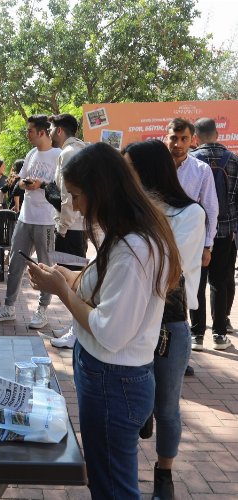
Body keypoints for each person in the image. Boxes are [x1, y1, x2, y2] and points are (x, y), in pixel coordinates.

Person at [27, 142, 181, 499]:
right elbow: (104, 291)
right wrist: (68, 277)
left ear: (103, 191)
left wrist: (62, 292)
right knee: (105, 479)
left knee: (113, 487)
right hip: (106, 375)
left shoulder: (135, 248)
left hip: (115, 380)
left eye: (78, 196)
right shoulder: (125, 236)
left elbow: (109, 332)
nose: (76, 206)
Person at [123, 140, 205, 500]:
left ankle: (164, 476)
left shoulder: (190, 214)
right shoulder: (128, 210)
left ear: (147, 171)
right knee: (131, 401)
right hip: (131, 320)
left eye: (129, 169)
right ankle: (124, 470)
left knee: (167, 406)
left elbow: (168, 269)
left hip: (169, 322)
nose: (124, 176)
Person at [0, 115, 60, 329]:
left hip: (46, 220)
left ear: (42, 132)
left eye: (30, 131)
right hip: (25, 217)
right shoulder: (30, 154)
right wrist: (25, 183)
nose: (27, 134)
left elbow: (62, 186)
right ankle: (9, 307)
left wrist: (42, 184)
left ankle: (42, 310)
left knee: (46, 267)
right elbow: (19, 180)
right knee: (15, 264)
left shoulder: (58, 155)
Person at [164, 118, 220, 351]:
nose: (178, 144)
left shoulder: (201, 170)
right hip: (156, 241)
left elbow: (211, 208)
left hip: (188, 244)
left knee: (181, 299)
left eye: (183, 139)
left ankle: (179, 355)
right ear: (165, 137)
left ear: (192, 140)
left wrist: (207, 246)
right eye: (173, 138)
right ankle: (158, 352)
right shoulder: (155, 167)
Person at [190, 117, 238, 351]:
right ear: (217, 135)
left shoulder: (191, 161)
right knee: (219, 282)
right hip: (225, 231)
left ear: (195, 138)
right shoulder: (234, 161)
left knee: (196, 282)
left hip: (196, 232)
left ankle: (196, 335)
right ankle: (219, 335)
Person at [46, 114, 87, 348]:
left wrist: (62, 228)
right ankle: (74, 325)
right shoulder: (82, 150)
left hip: (70, 228)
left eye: (51, 128)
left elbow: (68, 197)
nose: (49, 132)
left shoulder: (68, 154)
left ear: (60, 130)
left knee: (72, 280)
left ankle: (76, 332)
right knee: (75, 277)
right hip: (77, 226)